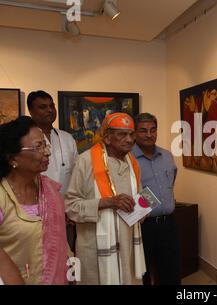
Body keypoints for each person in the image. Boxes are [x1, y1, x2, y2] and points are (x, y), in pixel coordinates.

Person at [65, 112, 146, 285]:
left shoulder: (133, 163)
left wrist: (143, 209)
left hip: (128, 246)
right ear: (108, 137)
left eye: (131, 134)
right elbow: (70, 206)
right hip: (95, 249)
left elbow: (138, 199)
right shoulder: (85, 161)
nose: (130, 139)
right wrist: (107, 202)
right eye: (122, 134)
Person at [0, 116, 68, 284]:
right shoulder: (2, 197)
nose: (47, 151)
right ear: (12, 158)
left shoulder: (50, 191)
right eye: (38, 146)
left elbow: (60, 243)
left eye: (45, 144)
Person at [132, 113, 181, 285]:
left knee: (172, 272)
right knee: (141, 273)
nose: (149, 134)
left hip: (168, 224)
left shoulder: (167, 156)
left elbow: (170, 183)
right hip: (143, 226)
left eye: (153, 130)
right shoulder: (128, 159)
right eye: (143, 130)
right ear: (135, 133)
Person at [27, 91, 79, 252]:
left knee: (67, 261)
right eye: (43, 107)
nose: (50, 110)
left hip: (67, 216)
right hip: (38, 215)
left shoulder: (67, 138)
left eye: (52, 106)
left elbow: (76, 176)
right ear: (31, 111)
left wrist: (70, 210)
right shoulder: (27, 140)